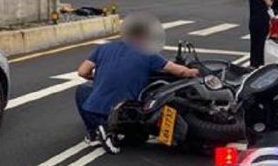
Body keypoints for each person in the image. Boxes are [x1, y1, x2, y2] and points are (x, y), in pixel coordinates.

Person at [75, 15, 199, 154]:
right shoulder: (149, 54)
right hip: (127, 111)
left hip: (96, 110)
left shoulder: (103, 49)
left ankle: (93, 132)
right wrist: (194, 71)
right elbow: (180, 72)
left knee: (83, 89)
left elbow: (82, 71)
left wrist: (99, 78)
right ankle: (107, 129)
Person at [248, 0, 273, 69]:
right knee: (261, 42)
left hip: (253, 19)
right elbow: (269, 3)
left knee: (254, 42)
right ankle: (260, 63)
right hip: (261, 19)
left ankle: (253, 63)